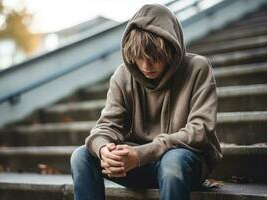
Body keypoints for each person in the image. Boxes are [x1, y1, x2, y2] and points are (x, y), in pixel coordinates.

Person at [70, 3, 222, 200]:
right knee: (81, 156)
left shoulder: (197, 68)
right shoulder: (122, 76)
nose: (145, 65)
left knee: (173, 161)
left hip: (182, 163)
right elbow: (106, 126)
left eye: (155, 57)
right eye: (139, 57)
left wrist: (141, 154)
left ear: (172, 48)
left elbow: (200, 130)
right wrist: (104, 149)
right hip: (136, 165)